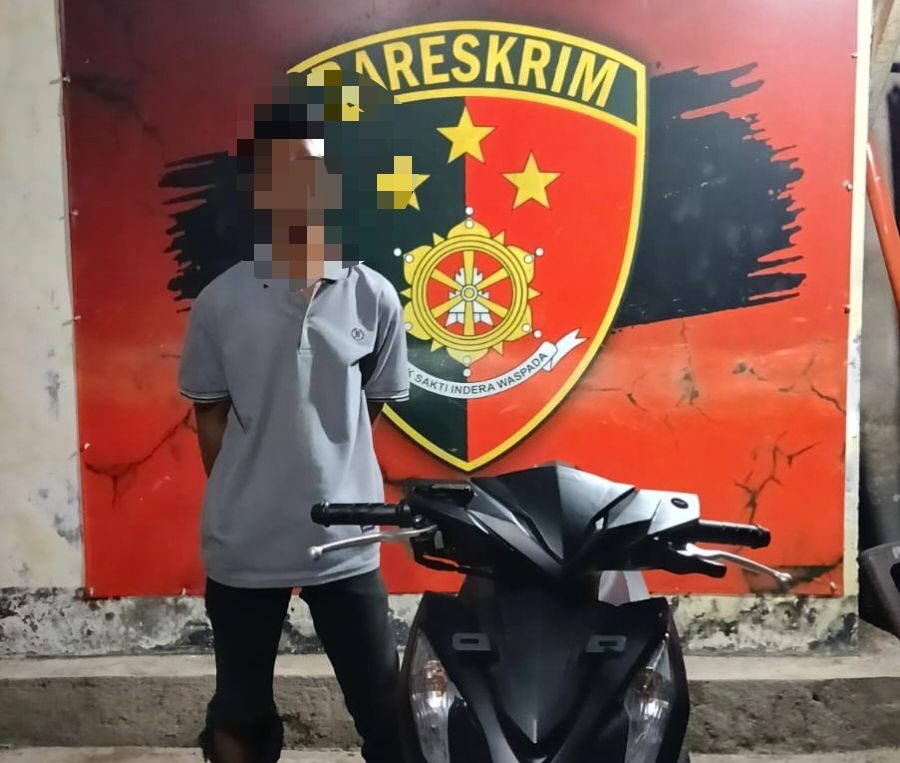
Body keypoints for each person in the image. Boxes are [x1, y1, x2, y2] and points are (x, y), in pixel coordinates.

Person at [178, 78, 409, 763]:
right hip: (245, 544)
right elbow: (210, 414)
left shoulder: (373, 296)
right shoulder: (219, 303)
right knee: (240, 716)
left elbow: (369, 405)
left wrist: (327, 468)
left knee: (387, 712)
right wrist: (252, 490)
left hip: (345, 543)